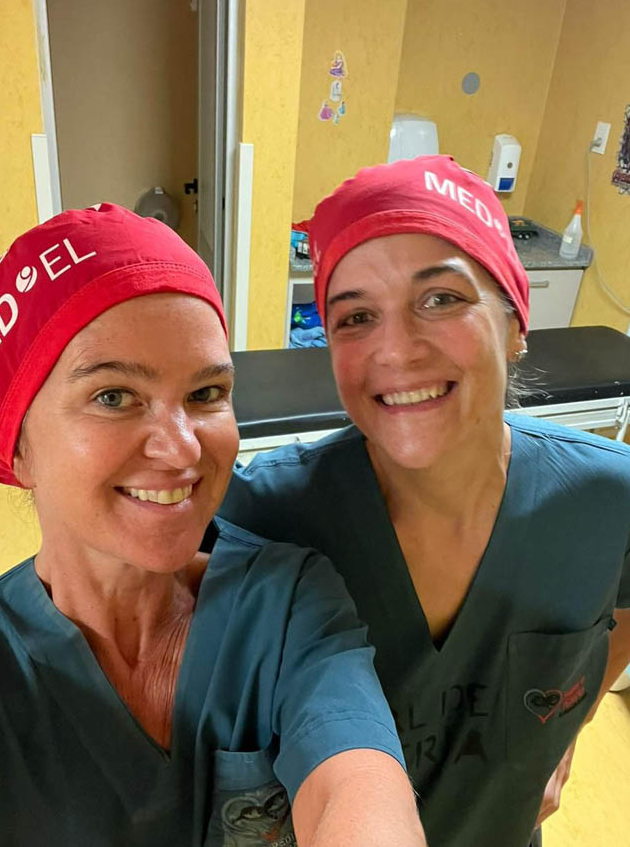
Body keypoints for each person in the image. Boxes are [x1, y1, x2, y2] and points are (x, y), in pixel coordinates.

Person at [219, 155, 630, 847]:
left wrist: (567, 728)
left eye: (440, 298)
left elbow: (618, 610)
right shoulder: (265, 516)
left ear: (516, 322)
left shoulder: (605, 499)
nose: (398, 350)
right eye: (356, 317)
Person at [0, 204, 426, 847]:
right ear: (18, 447)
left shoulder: (286, 603)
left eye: (205, 395)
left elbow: (356, 787)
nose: (183, 449)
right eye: (114, 396)